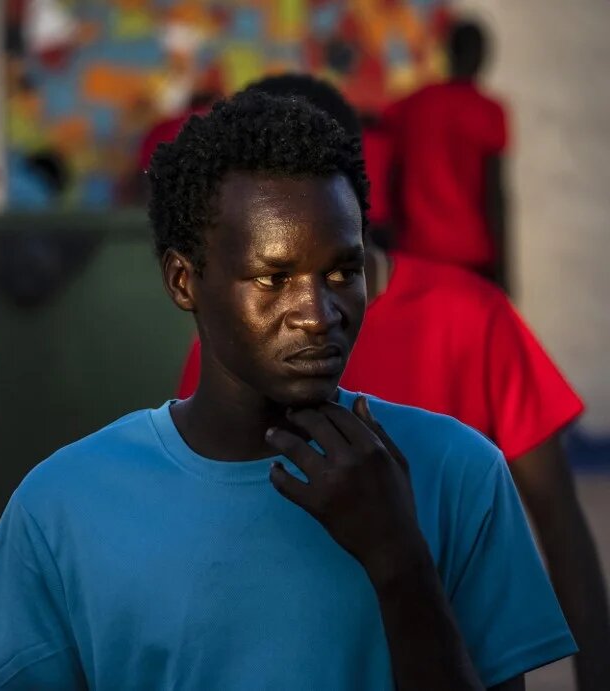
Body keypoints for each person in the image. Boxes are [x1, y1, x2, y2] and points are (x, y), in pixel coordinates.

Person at [0, 90, 575, 689]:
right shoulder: (61, 509)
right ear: (183, 281)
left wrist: (400, 565)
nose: (318, 312)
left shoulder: (460, 474)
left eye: (343, 271)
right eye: (273, 277)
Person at [176, 74, 610, 691]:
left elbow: (558, 521)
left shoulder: (471, 317)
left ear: (352, 193)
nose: (312, 313)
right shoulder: (230, 350)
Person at [386, 19, 510, 290]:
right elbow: (495, 196)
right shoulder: (489, 113)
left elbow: (393, 179)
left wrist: (394, 240)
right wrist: (504, 273)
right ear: (483, 57)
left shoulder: (415, 105)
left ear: (449, 53)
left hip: (417, 252)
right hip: (470, 257)